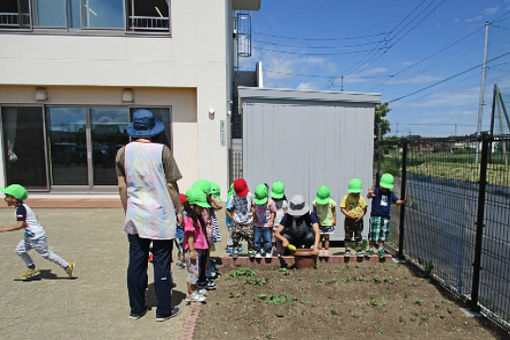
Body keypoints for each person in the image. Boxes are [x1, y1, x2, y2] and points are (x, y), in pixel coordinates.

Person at [116, 109, 182, 321]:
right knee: (161, 261)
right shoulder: (162, 151)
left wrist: (128, 211)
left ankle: (136, 309)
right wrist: (179, 210)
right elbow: (171, 186)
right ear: (153, 130)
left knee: (136, 262)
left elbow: (121, 186)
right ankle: (163, 311)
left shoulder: (122, 153)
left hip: (136, 215)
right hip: (161, 215)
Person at [0, 184, 74, 280]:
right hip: (30, 235)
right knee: (20, 250)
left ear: (14, 198)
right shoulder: (21, 207)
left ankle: (67, 266)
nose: (5, 199)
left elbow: (19, 225)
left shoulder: (21, 209)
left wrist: (3, 229)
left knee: (46, 254)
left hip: (36, 236)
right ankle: (32, 268)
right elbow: (34, 218)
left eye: (7, 197)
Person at [367, 173, 408, 258]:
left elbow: (396, 201)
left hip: (385, 217)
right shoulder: (376, 191)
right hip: (375, 216)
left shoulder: (391, 194)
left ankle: (381, 250)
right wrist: (370, 194)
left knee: (383, 234)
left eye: (387, 187)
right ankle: (370, 249)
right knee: (373, 233)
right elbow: (369, 196)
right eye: (383, 187)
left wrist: (403, 201)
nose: (385, 189)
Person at [182, 187, 210, 303]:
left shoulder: (196, 218)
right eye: (200, 206)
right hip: (192, 250)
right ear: (192, 205)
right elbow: (190, 236)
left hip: (197, 250)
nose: (202, 209)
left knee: (196, 271)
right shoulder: (189, 219)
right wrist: (192, 250)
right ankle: (191, 293)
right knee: (192, 272)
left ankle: (195, 290)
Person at [225, 178, 255, 258]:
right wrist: (232, 218)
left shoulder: (249, 195)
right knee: (235, 236)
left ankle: (251, 250)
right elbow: (229, 208)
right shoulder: (233, 197)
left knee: (250, 236)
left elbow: (253, 206)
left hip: (248, 220)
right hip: (237, 220)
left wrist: (253, 215)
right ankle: (235, 249)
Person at [340, 178, 367, 257]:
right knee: (348, 235)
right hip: (349, 219)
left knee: (358, 235)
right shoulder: (346, 197)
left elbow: (364, 209)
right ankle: (347, 250)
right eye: (354, 192)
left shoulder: (361, 198)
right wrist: (348, 215)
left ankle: (359, 250)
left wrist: (361, 216)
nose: (355, 194)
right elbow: (342, 208)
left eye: (357, 192)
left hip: (358, 220)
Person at [251, 183, 276, 258]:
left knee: (268, 239)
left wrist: (271, 221)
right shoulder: (255, 201)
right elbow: (252, 208)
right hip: (257, 224)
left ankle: (267, 251)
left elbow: (273, 212)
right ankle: (258, 251)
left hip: (267, 224)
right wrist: (254, 215)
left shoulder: (270, 202)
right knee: (256, 239)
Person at [312, 185, 337, 257]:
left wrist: (334, 220)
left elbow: (334, 212)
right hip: (319, 222)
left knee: (326, 237)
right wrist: (315, 221)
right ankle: (319, 249)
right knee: (319, 237)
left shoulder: (331, 202)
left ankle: (326, 250)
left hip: (328, 222)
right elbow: (314, 212)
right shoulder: (315, 202)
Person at [270, 181, 288, 257]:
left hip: (280, 225)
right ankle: (271, 253)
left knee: (279, 240)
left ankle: (279, 253)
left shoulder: (284, 202)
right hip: (272, 224)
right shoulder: (271, 202)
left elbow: (285, 213)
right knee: (272, 240)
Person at [174, 193, 187, 269]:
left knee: (180, 249)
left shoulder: (174, 212)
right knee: (183, 249)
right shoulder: (183, 214)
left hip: (176, 236)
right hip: (181, 235)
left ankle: (180, 260)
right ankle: (181, 262)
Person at [224, 184, 235, 254]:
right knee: (231, 234)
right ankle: (230, 247)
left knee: (234, 234)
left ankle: (233, 247)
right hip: (230, 222)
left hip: (233, 221)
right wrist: (232, 218)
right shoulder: (230, 198)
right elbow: (227, 210)